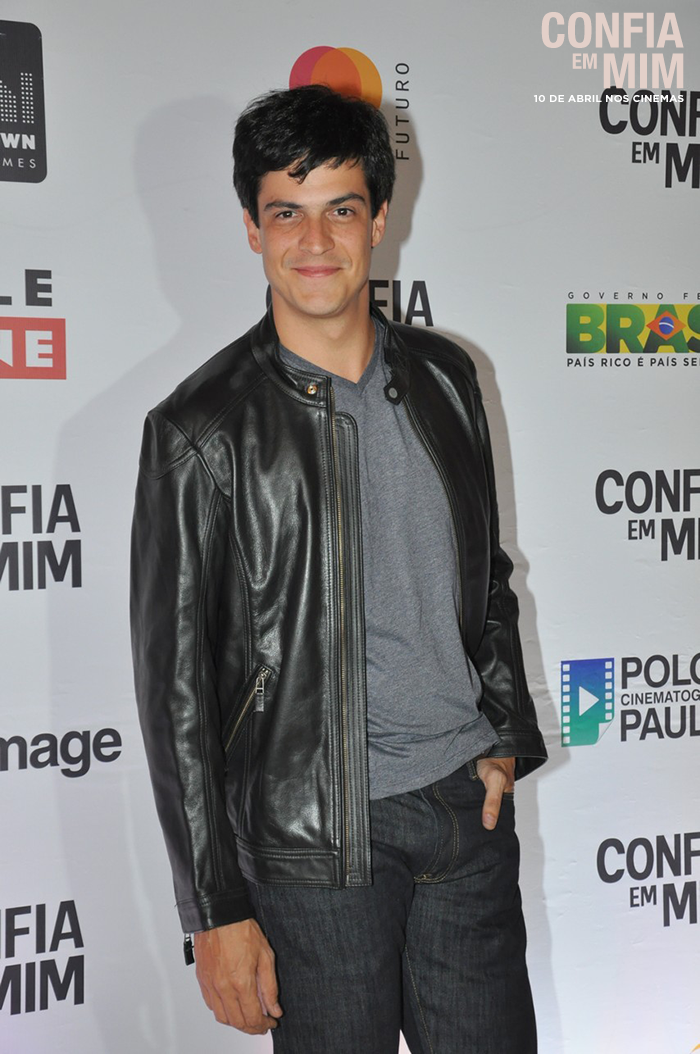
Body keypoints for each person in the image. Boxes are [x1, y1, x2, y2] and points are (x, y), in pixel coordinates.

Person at [130, 84, 547, 1053]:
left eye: (340, 209)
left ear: (378, 219)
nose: (314, 241)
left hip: (465, 817)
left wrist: (501, 734)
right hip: (312, 845)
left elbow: (485, 575)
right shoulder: (199, 430)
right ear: (251, 227)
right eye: (287, 212)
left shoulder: (446, 377)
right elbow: (176, 690)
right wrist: (214, 908)